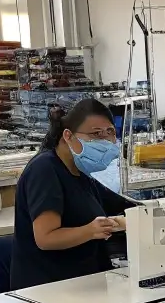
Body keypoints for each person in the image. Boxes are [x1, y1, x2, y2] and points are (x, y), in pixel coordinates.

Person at [10, 99, 134, 290]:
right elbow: (46, 238)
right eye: (95, 134)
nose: (105, 140)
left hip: (85, 284)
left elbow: (121, 205)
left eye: (110, 132)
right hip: (50, 291)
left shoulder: (79, 172)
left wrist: (154, 211)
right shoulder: (44, 170)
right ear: (68, 136)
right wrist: (91, 230)